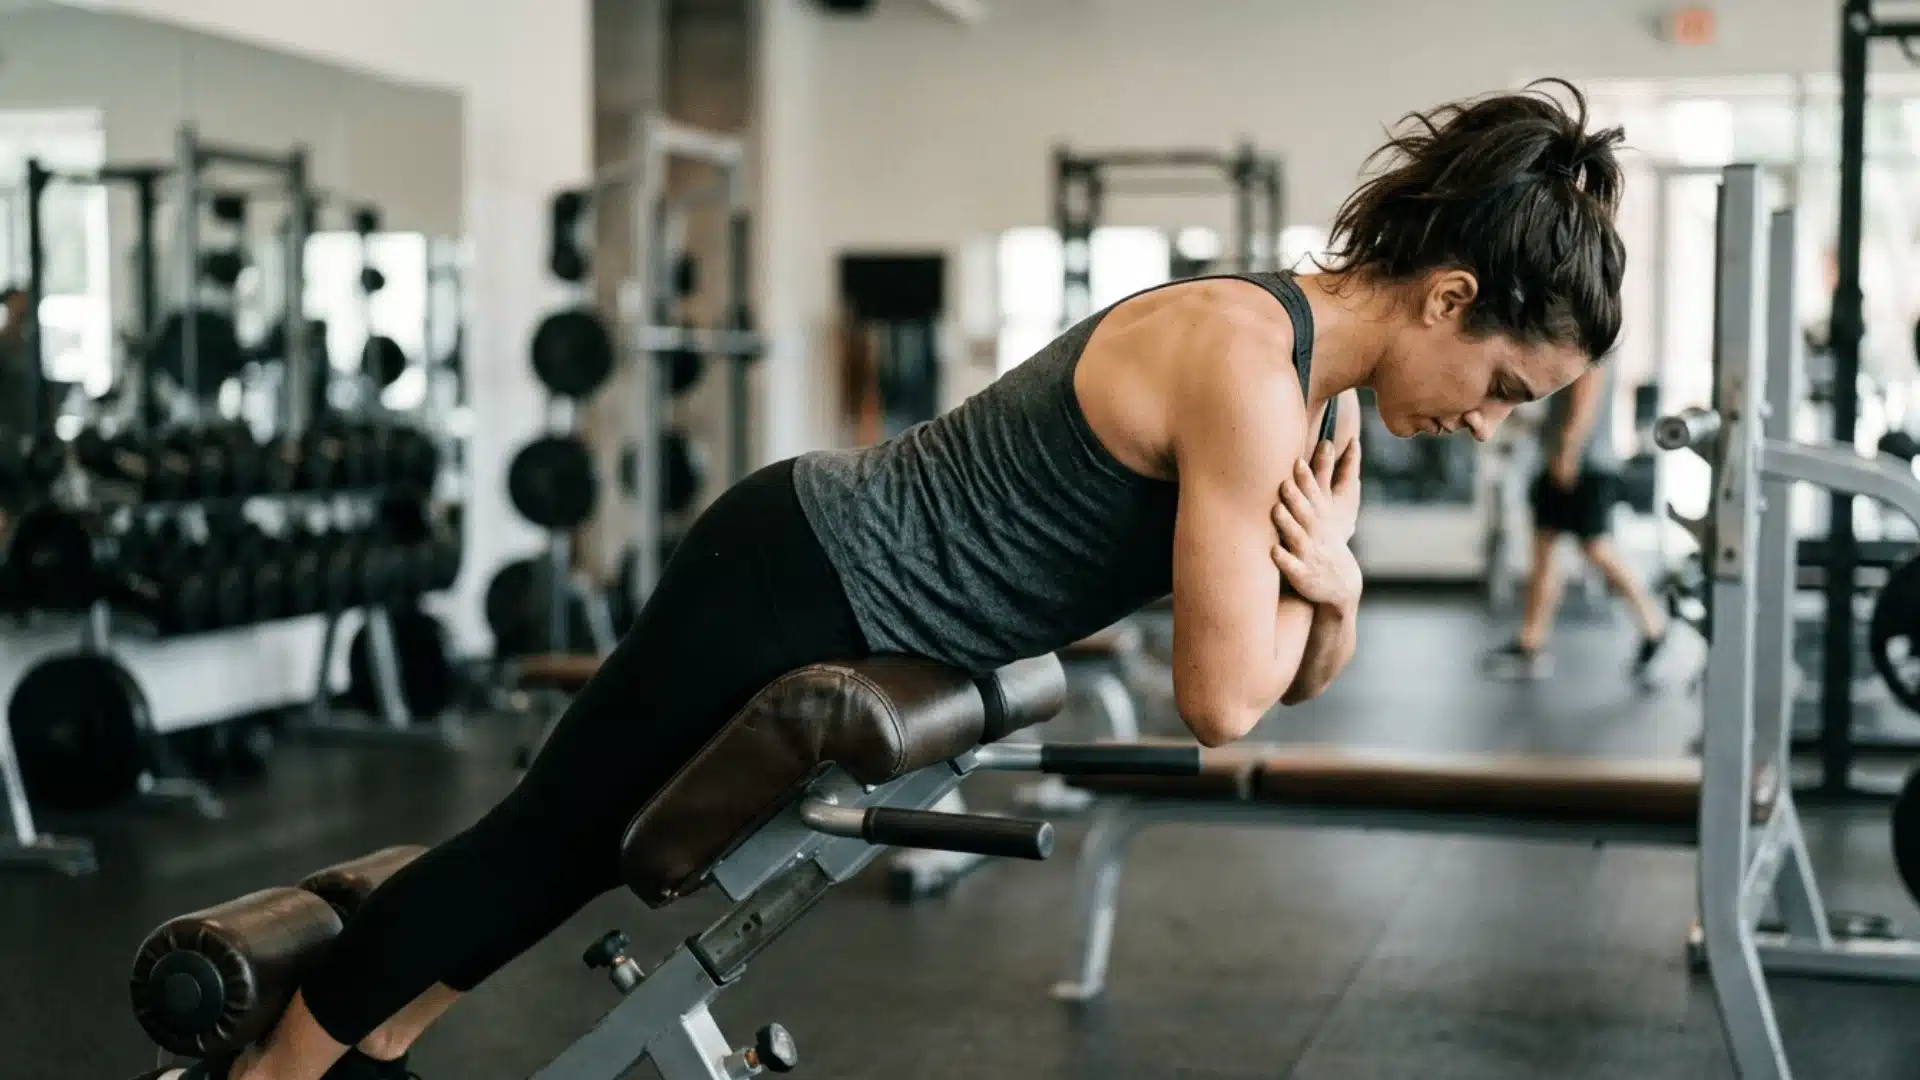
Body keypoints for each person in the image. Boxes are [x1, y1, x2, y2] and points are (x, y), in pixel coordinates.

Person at [143, 79, 1625, 1080]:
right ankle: (280, 1071)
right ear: (1449, 297)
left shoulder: (1325, 399)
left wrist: (1344, 596)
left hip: (847, 586)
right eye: (1503, 383)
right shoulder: (1251, 367)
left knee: (569, 847)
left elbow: (1301, 662)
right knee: (548, 843)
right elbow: (1230, 698)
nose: (1491, 424)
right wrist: (1326, 590)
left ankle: (366, 1053)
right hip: (800, 569)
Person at [1481, 363, 1669, 682]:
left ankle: (1654, 623)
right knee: (1545, 545)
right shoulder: (1578, 337)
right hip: (1568, 458)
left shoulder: (1591, 338)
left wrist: (1567, 452)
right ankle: (1531, 643)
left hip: (1583, 464)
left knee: (1594, 547)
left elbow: (1586, 394)